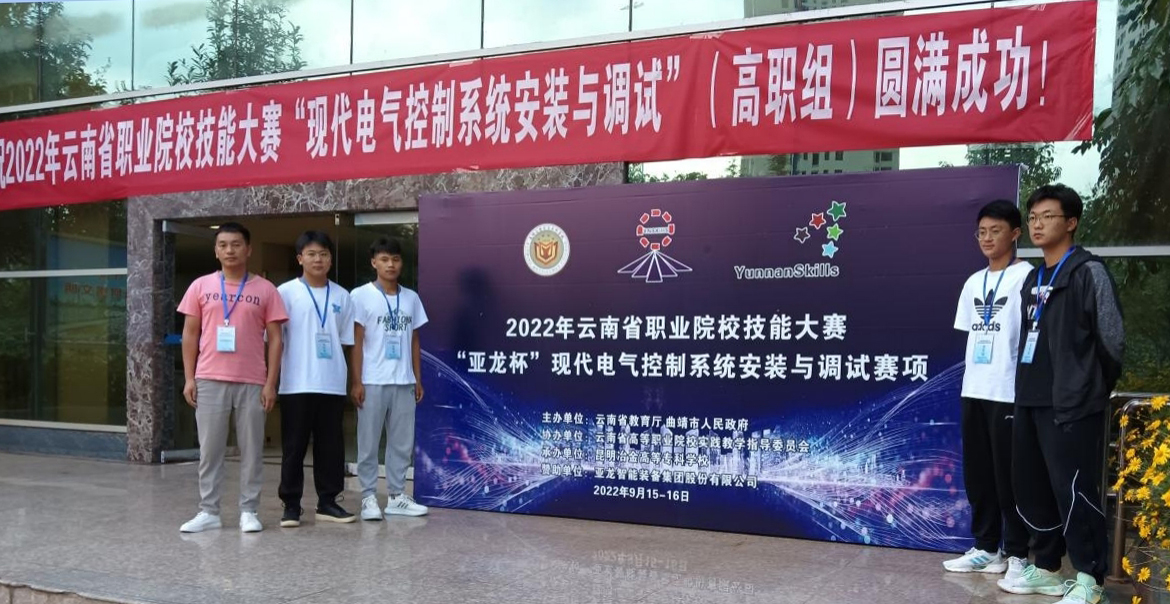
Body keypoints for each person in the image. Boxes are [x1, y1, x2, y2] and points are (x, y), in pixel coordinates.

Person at [997, 185, 1124, 604]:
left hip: (1072, 402)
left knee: (1075, 489)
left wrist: (1090, 387)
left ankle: (1090, 578)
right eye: (1033, 217)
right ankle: (1048, 568)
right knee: (1032, 487)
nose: (1037, 224)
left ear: (1071, 222)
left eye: (1047, 216)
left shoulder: (1088, 272)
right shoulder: (1033, 279)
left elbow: (1111, 341)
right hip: (1030, 398)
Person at [944, 200, 1034, 581]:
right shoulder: (972, 282)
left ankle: (1018, 553)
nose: (987, 238)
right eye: (981, 232)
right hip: (975, 388)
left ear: (1015, 234)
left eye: (995, 231)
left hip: (1008, 391)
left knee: (1010, 476)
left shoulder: (1027, 278)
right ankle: (986, 547)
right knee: (978, 473)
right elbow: (971, 331)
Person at [178, 222, 288, 533]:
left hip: (252, 381)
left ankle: (249, 510)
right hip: (209, 378)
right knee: (210, 450)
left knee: (252, 450)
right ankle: (209, 511)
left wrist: (270, 383)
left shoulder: (265, 289)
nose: (230, 250)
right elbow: (190, 334)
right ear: (216, 250)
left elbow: (276, 339)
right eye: (223, 245)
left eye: (236, 244)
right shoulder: (200, 286)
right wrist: (189, 378)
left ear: (248, 249)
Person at [275, 231, 357, 527]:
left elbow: (347, 341)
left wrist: (354, 381)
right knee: (293, 447)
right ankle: (291, 504)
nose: (318, 259)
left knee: (331, 447)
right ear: (300, 259)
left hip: (331, 382)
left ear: (331, 259)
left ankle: (328, 502)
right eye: (311, 254)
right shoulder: (284, 293)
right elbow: (273, 340)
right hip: (295, 382)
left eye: (323, 254)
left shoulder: (342, 296)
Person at [350, 237, 429, 521]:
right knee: (368, 442)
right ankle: (368, 496)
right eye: (384, 259)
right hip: (372, 380)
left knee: (401, 443)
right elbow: (356, 341)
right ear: (374, 262)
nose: (390, 265)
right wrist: (356, 381)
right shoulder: (360, 296)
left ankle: (396, 496)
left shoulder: (411, 298)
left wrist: (417, 378)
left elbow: (415, 340)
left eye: (395, 259)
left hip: (403, 380)